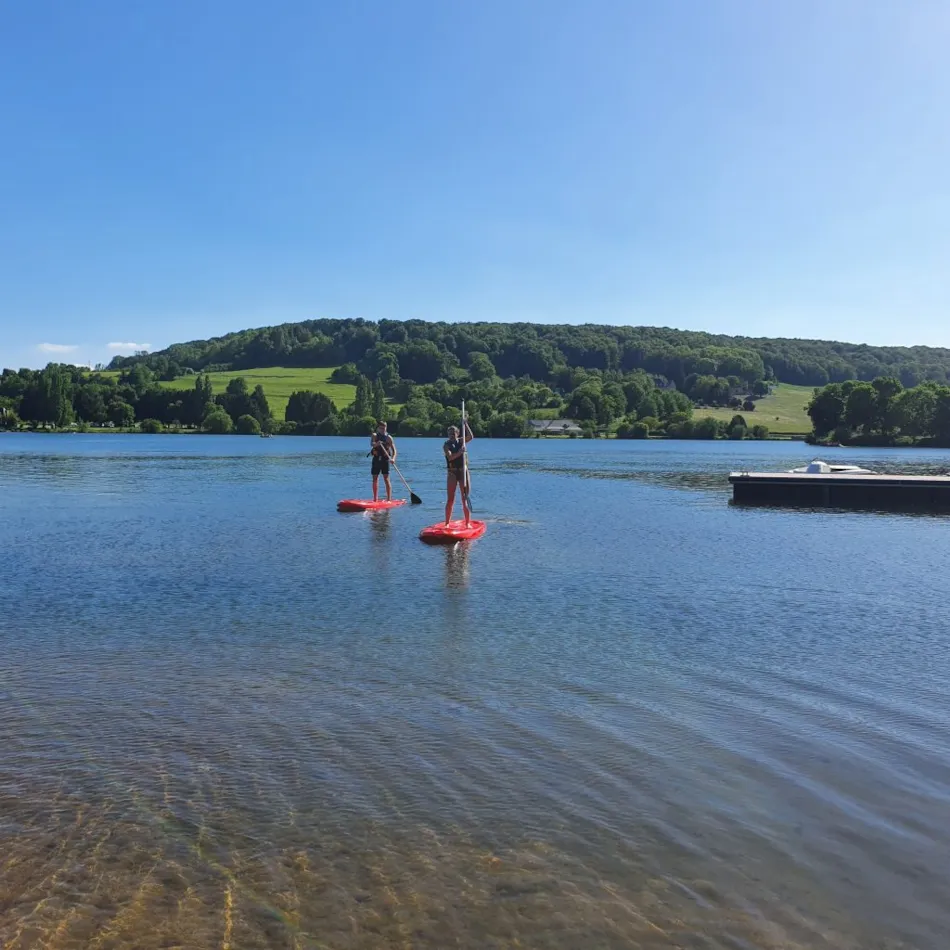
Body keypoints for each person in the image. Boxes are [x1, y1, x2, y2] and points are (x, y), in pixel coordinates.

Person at [443, 418, 473, 524]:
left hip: (463, 472)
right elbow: (450, 458)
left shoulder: (462, 441)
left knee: (464, 498)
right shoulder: (446, 445)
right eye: (450, 433)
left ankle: (467, 523)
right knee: (450, 499)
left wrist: (465, 425)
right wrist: (460, 452)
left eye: (453, 433)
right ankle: (447, 523)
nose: (451, 435)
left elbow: (471, 437)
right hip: (452, 472)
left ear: (457, 433)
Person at [370, 421, 396, 501]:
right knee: (375, 479)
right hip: (376, 459)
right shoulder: (374, 435)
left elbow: (394, 450)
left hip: (385, 460)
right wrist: (377, 444)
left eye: (384, 428)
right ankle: (375, 499)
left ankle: (389, 499)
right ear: (378, 428)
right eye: (381, 428)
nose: (383, 429)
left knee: (386, 479)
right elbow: (372, 444)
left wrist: (393, 458)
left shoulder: (389, 438)